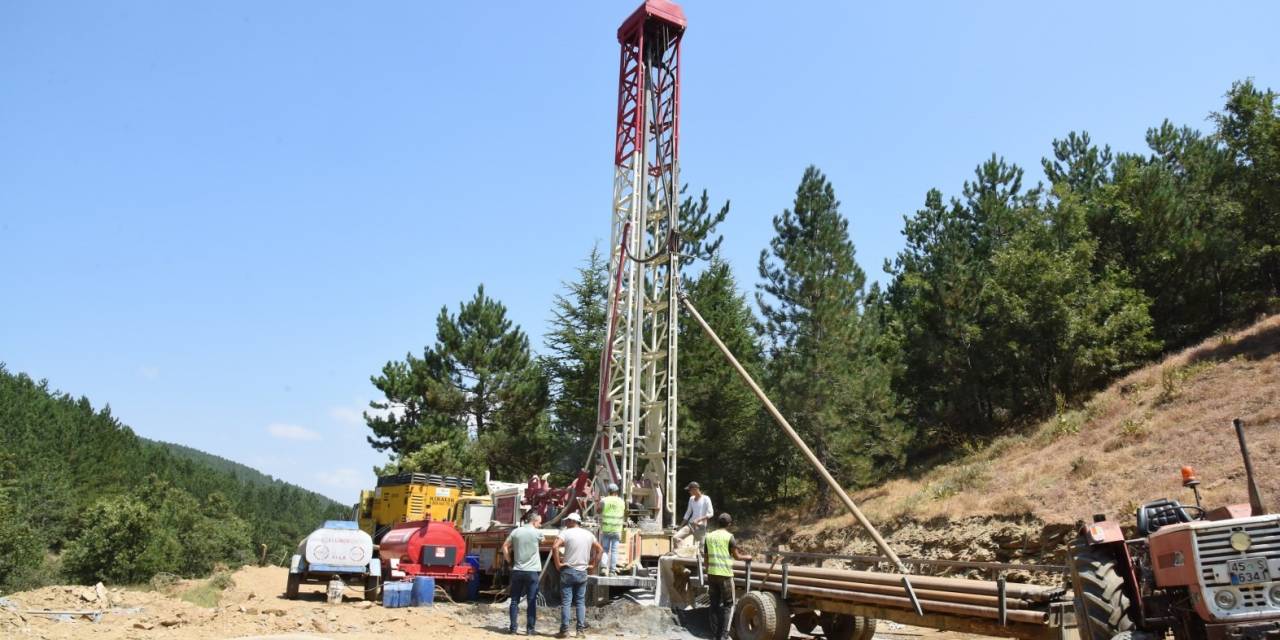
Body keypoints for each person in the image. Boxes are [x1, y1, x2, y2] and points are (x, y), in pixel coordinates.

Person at [552, 512, 602, 638]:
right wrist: (593, 565)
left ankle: (564, 631)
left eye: (567, 521)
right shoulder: (588, 534)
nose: (566, 523)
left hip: (568, 571)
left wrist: (558, 564)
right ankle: (580, 631)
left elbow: (555, 547)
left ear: (572, 521)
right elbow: (600, 549)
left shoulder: (566, 533)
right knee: (580, 602)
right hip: (582, 572)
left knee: (567, 602)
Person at [703, 513, 751, 640]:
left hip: (712, 574)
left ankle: (715, 635)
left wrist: (708, 572)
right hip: (725, 575)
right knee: (728, 605)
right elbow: (737, 556)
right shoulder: (730, 537)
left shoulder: (709, 536)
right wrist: (748, 557)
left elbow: (706, 558)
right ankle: (724, 636)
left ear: (718, 523)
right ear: (729, 524)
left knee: (713, 605)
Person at [501, 511, 544, 635]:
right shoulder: (537, 533)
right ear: (535, 521)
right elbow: (543, 541)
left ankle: (513, 629)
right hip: (532, 572)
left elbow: (505, 547)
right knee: (531, 601)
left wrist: (510, 561)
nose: (540, 525)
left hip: (518, 570)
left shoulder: (516, 532)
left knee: (514, 600)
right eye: (539, 523)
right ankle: (530, 630)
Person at [672, 481, 713, 547]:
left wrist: (699, 519)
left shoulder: (706, 499)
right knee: (675, 537)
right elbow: (688, 513)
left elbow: (711, 513)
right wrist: (681, 526)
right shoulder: (691, 499)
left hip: (701, 527)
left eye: (690, 490)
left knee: (702, 547)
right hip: (690, 525)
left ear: (695, 489)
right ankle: (682, 553)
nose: (689, 492)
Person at [599, 484, 625, 576]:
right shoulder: (621, 501)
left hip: (606, 529)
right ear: (617, 492)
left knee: (605, 549)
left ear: (608, 491)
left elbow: (598, 510)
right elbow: (623, 512)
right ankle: (612, 571)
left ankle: (603, 568)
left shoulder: (604, 500)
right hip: (617, 529)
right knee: (614, 551)